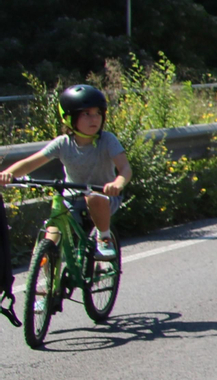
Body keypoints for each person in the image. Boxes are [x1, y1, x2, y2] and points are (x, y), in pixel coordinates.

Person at [0, 84, 132, 259]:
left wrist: (117, 183)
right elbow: (28, 164)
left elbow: (125, 168)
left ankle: (105, 238)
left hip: (104, 197)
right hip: (73, 198)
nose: (94, 119)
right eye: (86, 114)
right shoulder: (63, 143)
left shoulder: (107, 140)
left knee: (93, 197)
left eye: (98, 113)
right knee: (52, 230)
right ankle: (46, 266)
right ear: (69, 118)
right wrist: (7, 174)